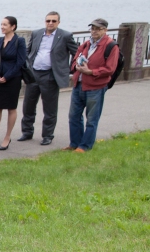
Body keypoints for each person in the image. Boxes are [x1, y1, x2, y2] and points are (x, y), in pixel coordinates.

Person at [20, 12, 77, 145]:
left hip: (50, 75)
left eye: (53, 21)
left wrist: (68, 68)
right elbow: (28, 51)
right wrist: (27, 66)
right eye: (48, 21)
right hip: (34, 74)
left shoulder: (65, 36)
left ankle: (47, 135)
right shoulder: (37, 33)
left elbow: (76, 53)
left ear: (58, 22)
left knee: (49, 108)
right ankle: (27, 132)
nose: (50, 23)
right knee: (28, 105)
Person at [66, 18, 119, 153]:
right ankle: (75, 143)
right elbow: (74, 60)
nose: (94, 31)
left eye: (98, 29)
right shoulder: (86, 44)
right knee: (74, 116)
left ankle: (85, 146)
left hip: (96, 87)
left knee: (92, 118)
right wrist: (76, 67)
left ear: (105, 30)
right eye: (93, 28)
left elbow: (110, 69)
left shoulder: (111, 46)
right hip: (78, 84)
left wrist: (91, 71)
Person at [0, 16, 27, 150]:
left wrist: (7, 76)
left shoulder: (19, 41)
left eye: (5, 25)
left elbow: (20, 61)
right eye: (1, 24)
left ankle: (7, 137)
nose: (2, 27)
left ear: (13, 26)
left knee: (11, 107)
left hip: (13, 79)